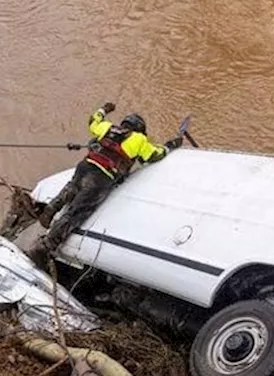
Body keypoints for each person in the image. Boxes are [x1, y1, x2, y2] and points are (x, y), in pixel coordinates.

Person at [28, 102, 183, 268]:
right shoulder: (139, 139)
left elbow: (93, 121)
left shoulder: (107, 128)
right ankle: (45, 247)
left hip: (85, 165)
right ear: (139, 129)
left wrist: (105, 109)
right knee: (77, 212)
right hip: (102, 177)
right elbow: (154, 155)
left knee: (72, 187)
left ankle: (50, 210)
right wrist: (170, 146)